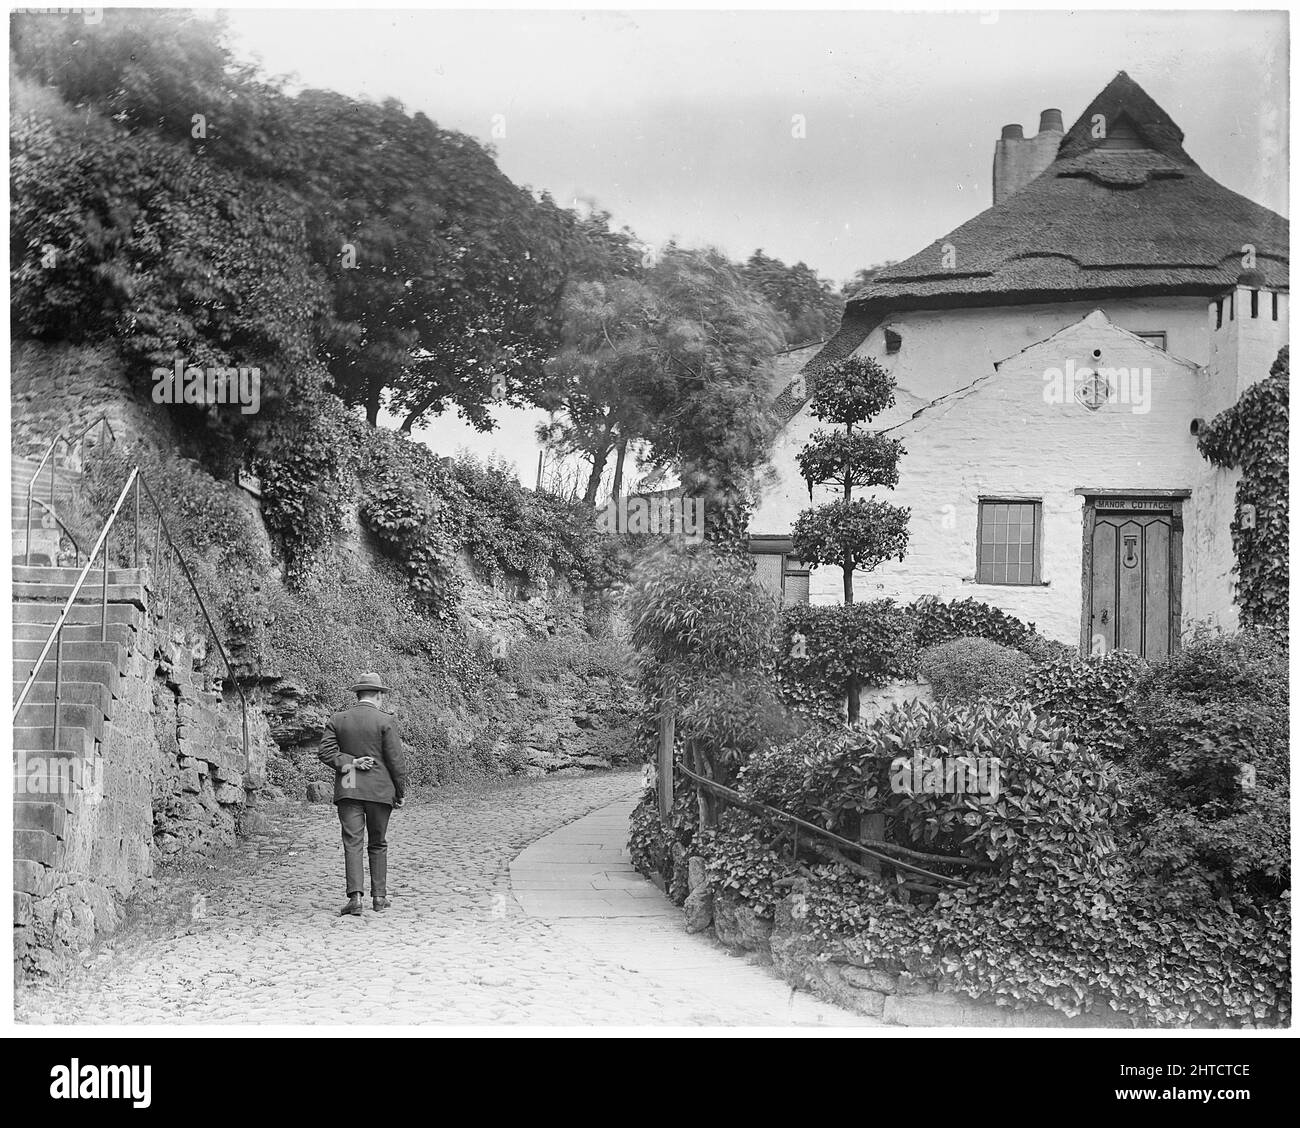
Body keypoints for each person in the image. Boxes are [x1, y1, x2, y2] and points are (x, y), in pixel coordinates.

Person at [317, 672, 409, 916]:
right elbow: (396, 762)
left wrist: (351, 762)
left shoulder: (339, 719)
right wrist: (399, 792)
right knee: (378, 843)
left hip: (349, 785)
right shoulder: (385, 721)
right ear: (378, 695)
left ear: (357, 694)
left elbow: (325, 752)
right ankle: (379, 897)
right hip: (380, 790)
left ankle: (355, 898)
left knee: (353, 842)